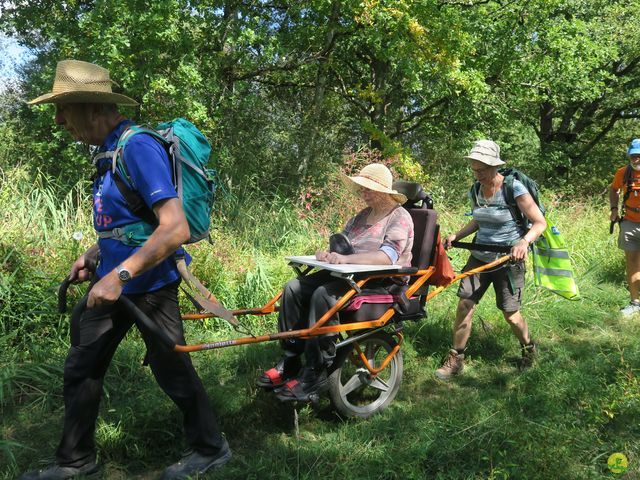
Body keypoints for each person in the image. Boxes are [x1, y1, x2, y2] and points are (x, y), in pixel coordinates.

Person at [20, 60, 230, 480]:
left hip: (148, 286)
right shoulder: (109, 148)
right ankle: (75, 460)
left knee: (172, 368)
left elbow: (174, 227)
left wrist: (118, 276)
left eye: (64, 110)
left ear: (94, 108)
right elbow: (131, 222)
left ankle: (210, 448)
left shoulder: (137, 146)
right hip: (115, 283)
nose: (59, 121)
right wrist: (96, 254)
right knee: (82, 363)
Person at [256, 163, 414, 401]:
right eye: (361, 187)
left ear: (382, 191)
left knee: (323, 294)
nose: (362, 192)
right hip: (348, 275)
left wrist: (345, 259)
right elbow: (344, 246)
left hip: (379, 280)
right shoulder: (361, 216)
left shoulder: (399, 217)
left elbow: (386, 257)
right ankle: (290, 359)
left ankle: (316, 369)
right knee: (293, 288)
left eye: (367, 188)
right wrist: (329, 255)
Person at [435, 140, 546, 380]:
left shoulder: (513, 188)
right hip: (480, 256)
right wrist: (457, 235)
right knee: (465, 304)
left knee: (510, 314)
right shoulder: (475, 190)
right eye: (475, 169)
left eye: (483, 169)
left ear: (495, 167)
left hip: (508, 260)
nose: (479, 174)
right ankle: (456, 359)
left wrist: (523, 242)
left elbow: (540, 222)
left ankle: (529, 349)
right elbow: (478, 219)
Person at [609, 138, 640, 316]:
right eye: (633, 156)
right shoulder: (623, 173)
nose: (636, 160)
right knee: (633, 264)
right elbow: (614, 190)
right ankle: (635, 303)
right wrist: (614, 209)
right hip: (629, 222)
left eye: (639, 156)